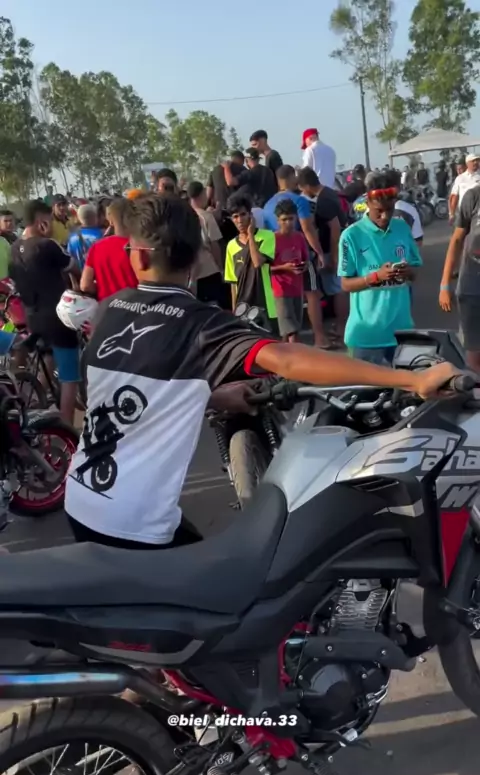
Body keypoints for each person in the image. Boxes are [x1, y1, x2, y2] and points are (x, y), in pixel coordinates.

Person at [64, 192, 459, 549]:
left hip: (81, 500)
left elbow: (122, 392)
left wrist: (212, 396)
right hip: (134, 525)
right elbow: (287, 359)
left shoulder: (110, 309)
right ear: (196, 258)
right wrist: (412, 379)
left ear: (139, 257)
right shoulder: (198, 321)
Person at [338, 170, 423, 365]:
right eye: (379, 211)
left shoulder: (402, 228)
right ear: (367, 203)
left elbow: (415, 272)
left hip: (402, 333)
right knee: (366, 385)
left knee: (406, 384)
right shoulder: (351, 236)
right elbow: (345, 284)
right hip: (367, 338)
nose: (385, 216)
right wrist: (376, 277)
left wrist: (408, 272)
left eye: (390, 209)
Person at [9, 200, 80, 424]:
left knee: (47, 357)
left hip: (32, 316)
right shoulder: (47, 245)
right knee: (70, 377)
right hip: (58, 317)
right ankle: (68, 429)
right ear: (41, 221)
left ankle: (35, 404)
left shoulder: (14, 248)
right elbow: (74, 267)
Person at [263, 164, 327, 346]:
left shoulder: (268, 204)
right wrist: (319, 252)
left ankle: (286, 347)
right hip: (298, 253)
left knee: (287, 314)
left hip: (280, 258)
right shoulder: (299, 201)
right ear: (291, 178)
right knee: (312, 293)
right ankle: (319, 337)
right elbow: (307, 228)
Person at [298, 166, 349, 344]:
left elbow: (335, 229)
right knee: (334, 288)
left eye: (302, 189)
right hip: (333, 248)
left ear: (306, 186)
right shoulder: (328, 193)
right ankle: (340, 326)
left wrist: (334, 257)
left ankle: (342, 328)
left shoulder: (324, 200)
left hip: (331, 248)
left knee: (337, 288)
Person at [439, 182, 480, 372]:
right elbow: (456, 240)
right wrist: (444, 285)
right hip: (472, 287)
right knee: (473, 358)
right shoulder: (473, 196)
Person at [224, 193, 276, 323]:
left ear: (250, 215)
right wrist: (235, 312)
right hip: (244, 310)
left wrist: (251, 235)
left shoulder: (267, 236)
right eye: (235, 216)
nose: (240, 220)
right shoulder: (231, 246)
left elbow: (257, 262)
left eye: (243, 214)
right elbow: (233, 283)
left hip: (267, 305)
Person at [80, 197, 138, 301]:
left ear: (110, 221)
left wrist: (103, 287)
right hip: (136, 305)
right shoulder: (139, 247)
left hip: (106, 307)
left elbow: (85, 285)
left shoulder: (96, 247)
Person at [270, 199, 308, 342]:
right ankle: (295, 354)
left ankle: (285, 354)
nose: (288, 223)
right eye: (284, 219)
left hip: (297, 289)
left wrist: (303, 266)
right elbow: (265, 268)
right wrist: (283, 268)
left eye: (291, 219)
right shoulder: (273, 239)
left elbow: (305, 259)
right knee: (291, 331)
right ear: (278, 221)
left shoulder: (299, 237)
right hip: (281, 290)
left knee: (291, 331)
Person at [188, 181, 230, 309]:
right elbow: (215, 246)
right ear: (202, 194)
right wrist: (221, 269)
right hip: (209, 271)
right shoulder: (206, 217)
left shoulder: (184, 217)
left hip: (190, 275)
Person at [67, 204, 104, 271]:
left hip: (81, 274)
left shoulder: (72, 237)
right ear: (94, 217)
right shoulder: (102, 235)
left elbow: (70, 261)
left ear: (79, 218)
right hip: (98, 273)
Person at [449, 153, 480, 224]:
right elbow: (454, 196)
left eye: (477, 160)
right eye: (473, 161)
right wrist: (451, 214)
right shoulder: (460, 178)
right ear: (467, 163)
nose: (476, 162)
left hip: (477, 214)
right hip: (463, 213)